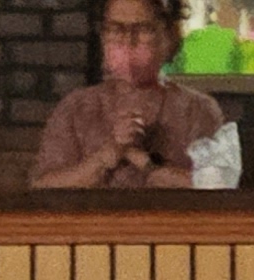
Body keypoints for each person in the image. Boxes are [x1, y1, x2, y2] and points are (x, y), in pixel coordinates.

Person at [32, 0, 229, 187]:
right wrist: (106, 156)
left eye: (143, 29)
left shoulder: (198, 109)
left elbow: (219, 186)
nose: (128, 41)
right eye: (116, 29)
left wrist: (145, 163)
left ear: (169, 35)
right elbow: (43, 186)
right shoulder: (76, 108)